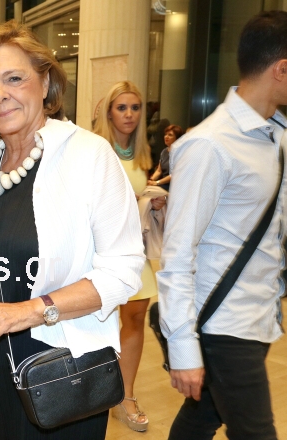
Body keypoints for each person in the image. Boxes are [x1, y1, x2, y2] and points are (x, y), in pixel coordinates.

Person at [0, 21, 145, 439]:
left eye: (14, 79)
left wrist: (28, 311)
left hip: (60, 373)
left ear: (45, 82)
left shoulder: (88, 155)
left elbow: (123, 272)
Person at [158, 11, 287, 440]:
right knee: (256, 433)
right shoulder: (209, 145)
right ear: (281, 69)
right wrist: (183, 347)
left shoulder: (276, 135)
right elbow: (177, 253)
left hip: (258, 315)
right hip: (223, 326)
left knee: (200, 419)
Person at [92, 80, 162, 432]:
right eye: (122, 107)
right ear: (109, 112)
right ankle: (96, 392)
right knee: (97, 320)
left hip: (134, 249)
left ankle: (126, 395)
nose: (130, 114)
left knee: (135, 318)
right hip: (99, 252)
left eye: (135, 107)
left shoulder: (142, 154)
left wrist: (153, 200)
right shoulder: (94, 149)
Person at [148, 124, 183, 191]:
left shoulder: (180, 153)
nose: (166, 137)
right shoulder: (164, 151)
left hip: (174, 187)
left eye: (170, 135)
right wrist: (151, 180)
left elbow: (174, 175)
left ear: (177, 138)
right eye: (165, 134)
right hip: (163, 184)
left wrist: (157, 182)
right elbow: (159, 171)